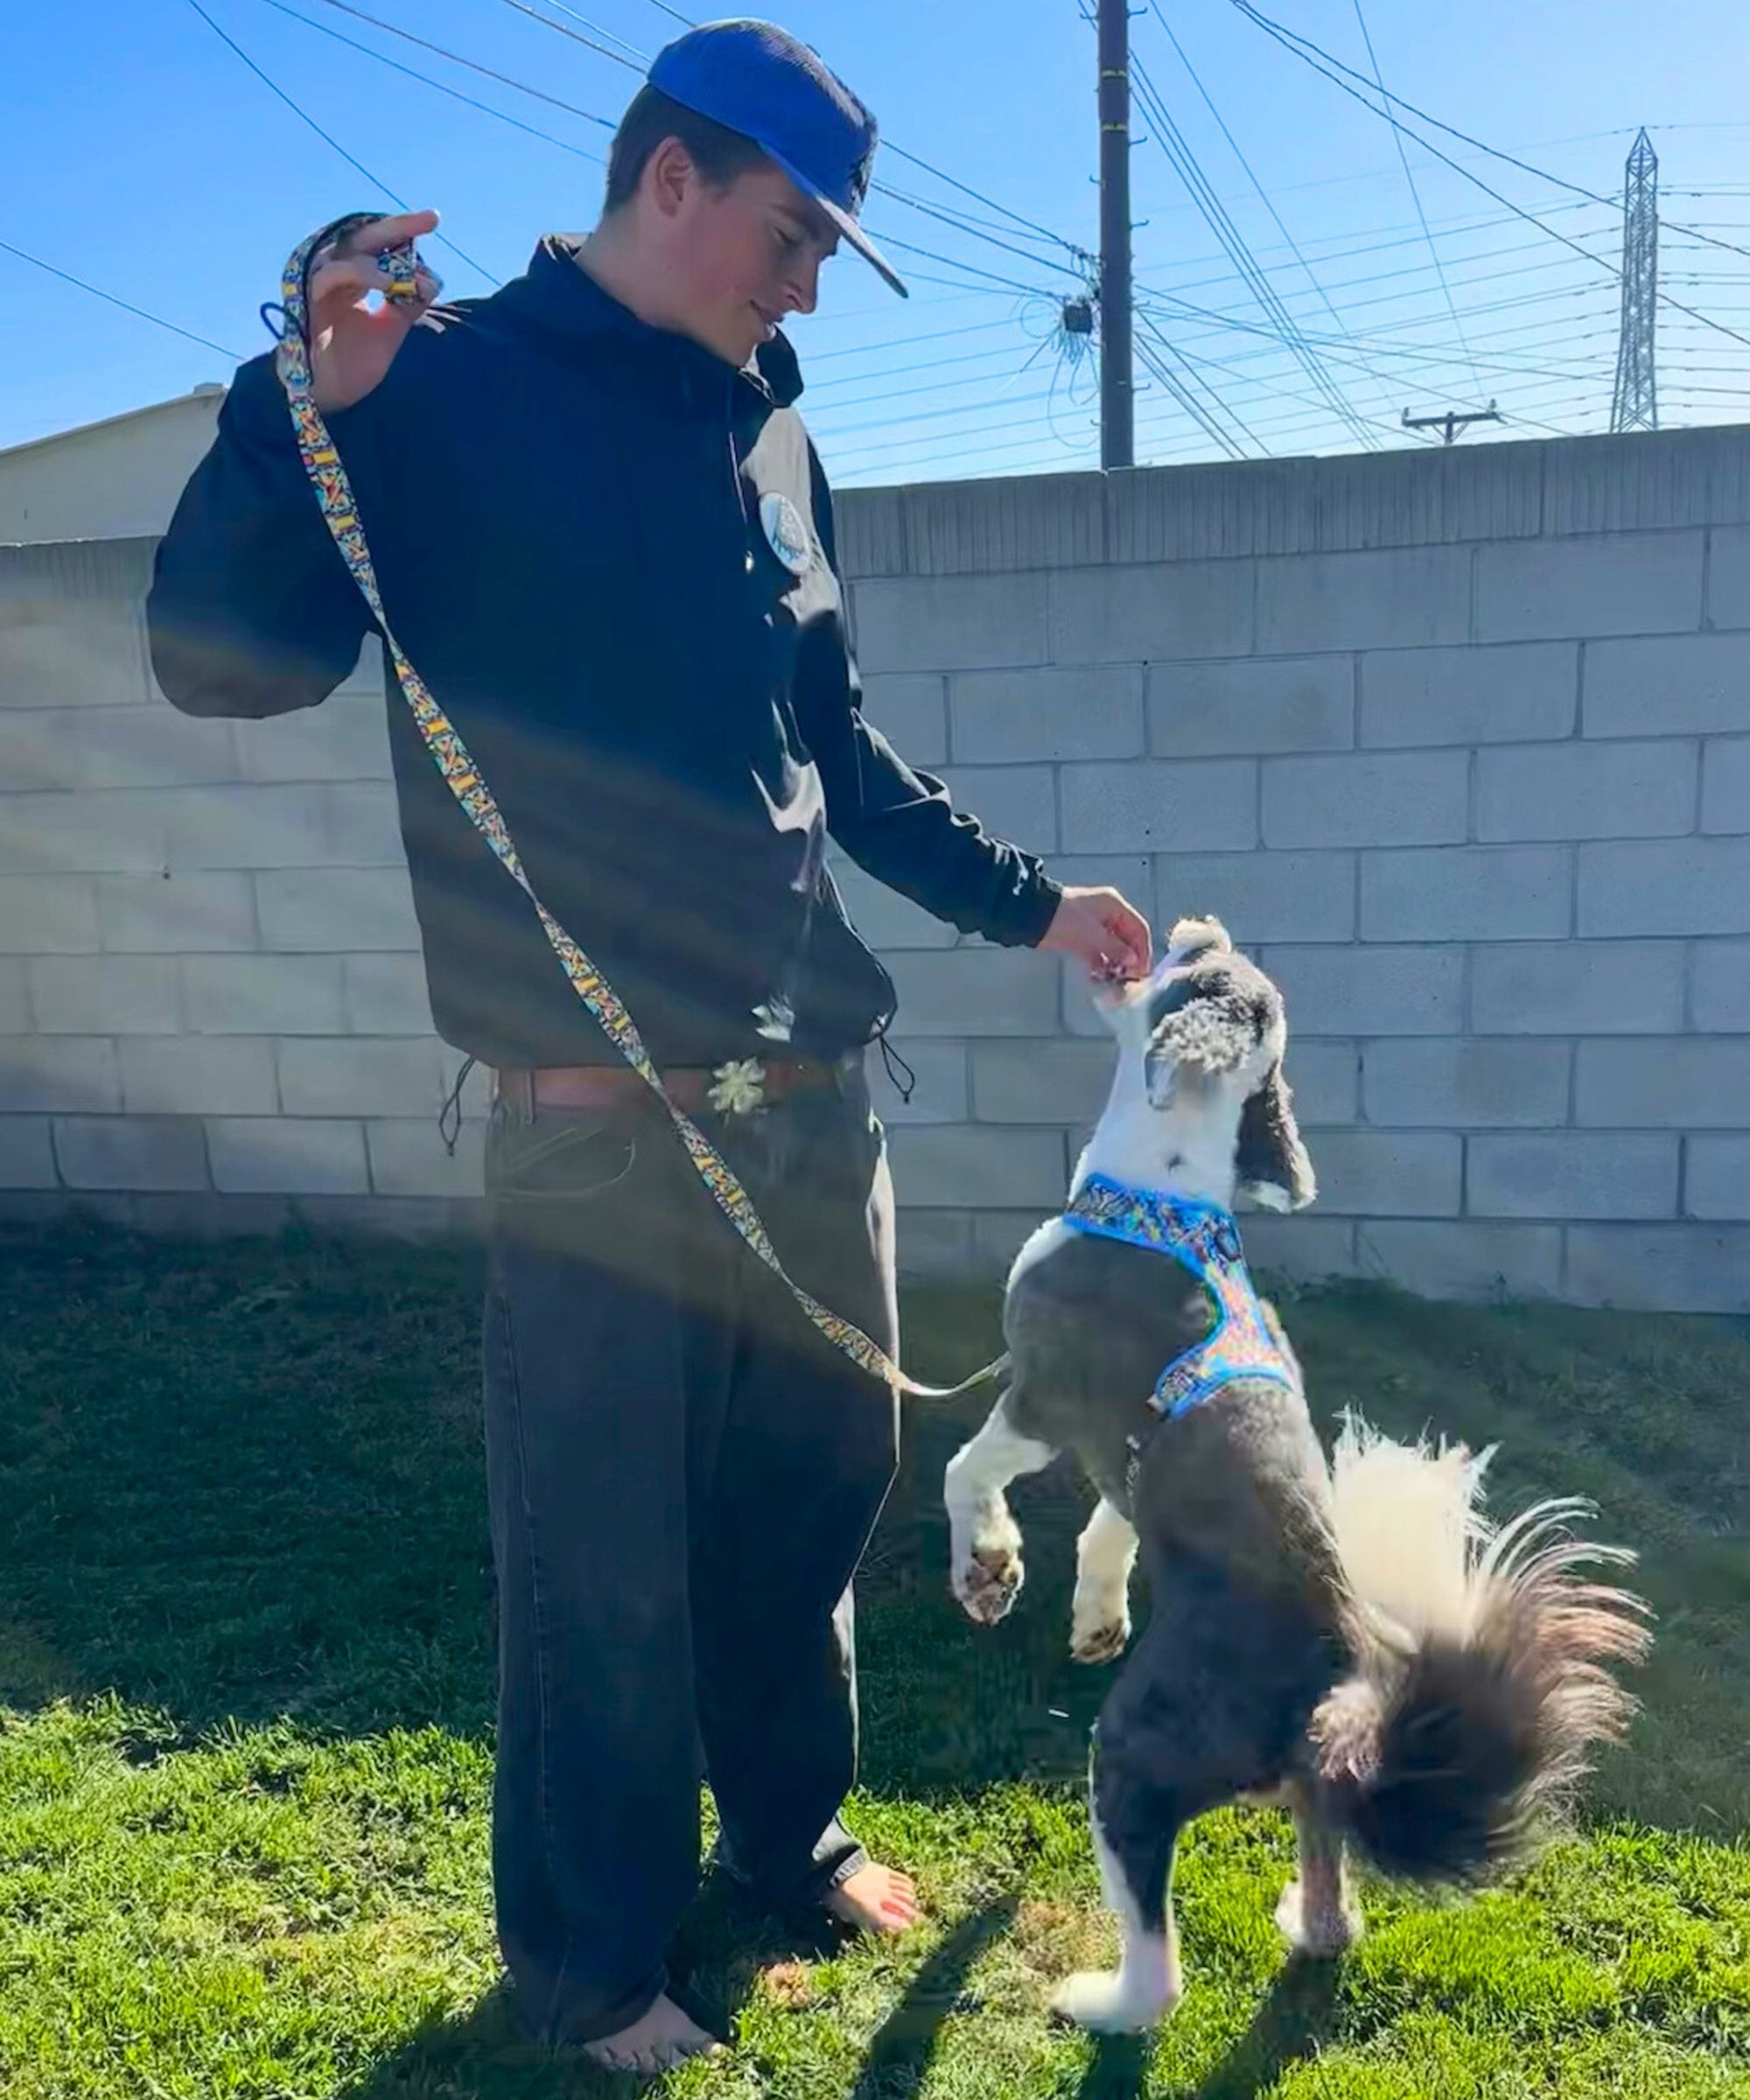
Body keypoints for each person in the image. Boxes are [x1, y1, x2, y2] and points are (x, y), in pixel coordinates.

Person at [147, 18, 1151, 2076]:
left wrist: (1032, 903)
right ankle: (593, 1967)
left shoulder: (774, 436)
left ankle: (784, 1844)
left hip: (811, 1108)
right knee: (602, 1566)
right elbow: (215, 662)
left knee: (806, 1505)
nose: (804, 286)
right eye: (792, 235)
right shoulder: (442, 389)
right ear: (670, 180)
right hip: (603, 1131)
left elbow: (835, 749)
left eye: (828, 253)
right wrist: (291, 412)